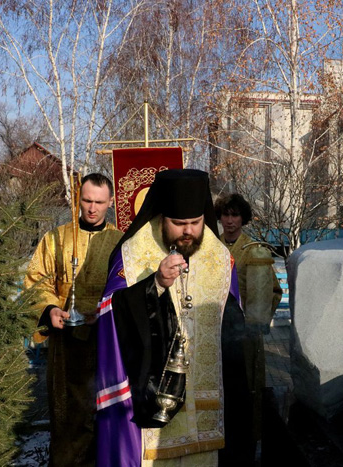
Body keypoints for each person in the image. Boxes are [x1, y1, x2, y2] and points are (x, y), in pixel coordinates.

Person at [94, 169, 252, 466]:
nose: (188, 231)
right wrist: (154, 285)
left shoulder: (219, 256)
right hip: (151, 407)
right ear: (163, 216)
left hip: (209, 412)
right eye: (178, 224)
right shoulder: (133, 253)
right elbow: (111, 312)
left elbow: (232, 326)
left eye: (196, 222)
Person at [24, 173, 123, 466]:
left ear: (111, 202)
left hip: (106, 343)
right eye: (87, 201)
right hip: (65, 345)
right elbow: (37, 280)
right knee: (66, 416)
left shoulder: (119, 242)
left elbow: (129, 288)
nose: (92, 208)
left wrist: (106, 313)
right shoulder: (56, 238)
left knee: (103, 412)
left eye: (99, 202)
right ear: (78, 200)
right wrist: (50, 309)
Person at [215, 193, 282, 446]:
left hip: (244, 336)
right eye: (225, 215)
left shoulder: (254, 250)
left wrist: (259, 317)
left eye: (235, 215)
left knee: (246, 390)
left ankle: (245, 443)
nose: (230, 220)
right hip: (215, 333)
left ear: (243, 218)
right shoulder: (210, 249)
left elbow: (274, 291)